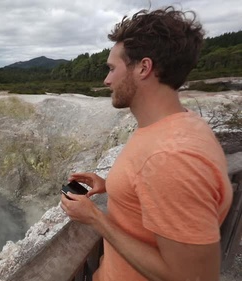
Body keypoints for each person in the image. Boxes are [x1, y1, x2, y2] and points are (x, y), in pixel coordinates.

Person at [60, 6, 233, 281]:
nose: (106, 80)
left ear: (143, 67)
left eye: (112, 69)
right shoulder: (178, 127)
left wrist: (95, 219)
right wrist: (113, 186)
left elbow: (192, 277)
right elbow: (158, 193)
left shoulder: (171, 158)